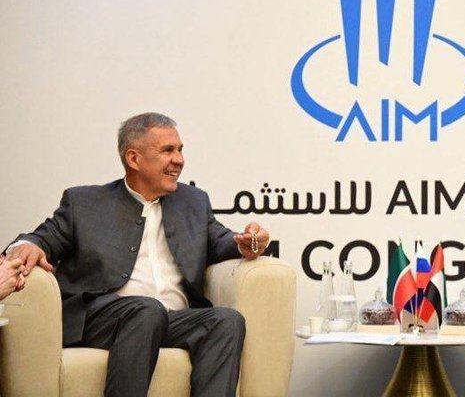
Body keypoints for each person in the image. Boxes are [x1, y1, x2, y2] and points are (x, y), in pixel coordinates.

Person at [3, 112, 270, 397]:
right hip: (104, 319)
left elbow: (221, 240)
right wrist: (27, 245)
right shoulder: (85, 203)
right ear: (134, 158)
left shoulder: (193, 201)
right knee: (146, 310)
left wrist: (247, 243)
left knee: (226, 320)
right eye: (168, 150)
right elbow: (42, 237)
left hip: (171, 318)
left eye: (180, 150)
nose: (179, 160)